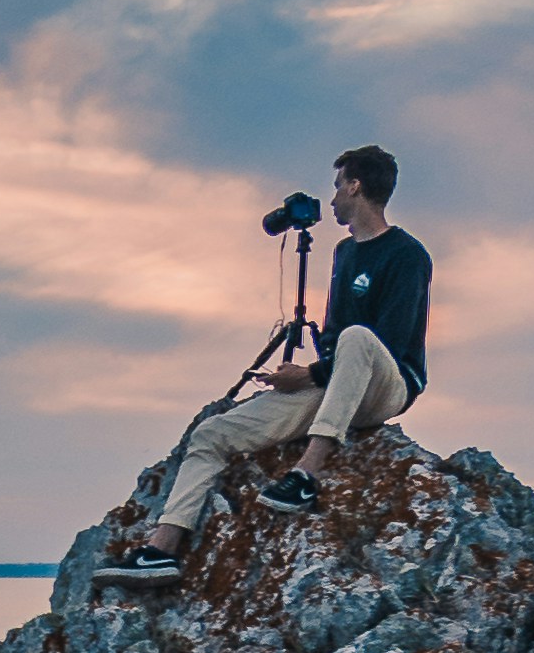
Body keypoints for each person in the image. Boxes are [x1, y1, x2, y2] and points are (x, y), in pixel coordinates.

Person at [101, 148, 432, 591]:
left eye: (337, 186)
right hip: (338, 380)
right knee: (212, 434)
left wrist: (312, 376)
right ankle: (161, 550)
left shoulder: (407, 254)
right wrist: (303, 377)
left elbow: (386, 343)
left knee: (358, 337)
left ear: (355, 186)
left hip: (388, 386)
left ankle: (305, 474)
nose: (332, 199)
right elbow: (333, 337)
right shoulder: (343, 253)